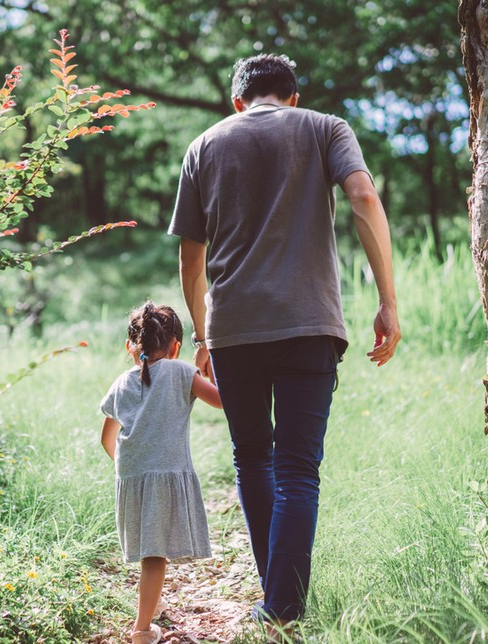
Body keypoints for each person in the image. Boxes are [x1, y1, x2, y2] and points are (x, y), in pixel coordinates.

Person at [168, 53, 401, 639]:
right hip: (310, 324)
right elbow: (364, 199)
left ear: (238, 101)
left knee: (253, 458)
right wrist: (388, 302)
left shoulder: (204, 145)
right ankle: (283, 607)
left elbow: (191, 258)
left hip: (234, 329)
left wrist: (202, 333)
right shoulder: (325, 128)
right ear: (292, 97)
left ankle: (277, 601)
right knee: (299, 468)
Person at [99, 301, 223, 644]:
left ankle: (151, 605)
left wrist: (130, 470)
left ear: (130, 346)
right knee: (154, 557)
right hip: (164, 474)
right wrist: (207, 367)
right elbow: (223, 401)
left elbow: (107, 438)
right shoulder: (181, 372)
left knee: (150, 553)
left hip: (131, 477)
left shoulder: (121, 382)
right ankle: (141, 630)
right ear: (175, 347)